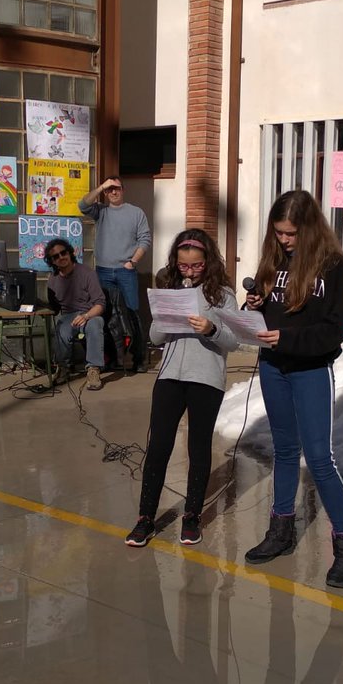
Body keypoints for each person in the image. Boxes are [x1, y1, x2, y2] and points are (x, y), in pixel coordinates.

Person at [243, 189, 343, 589]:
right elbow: (268, 310)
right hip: (274, 368)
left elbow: (334, 332)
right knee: (284, 451)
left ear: (309, 229)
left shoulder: (333, 268)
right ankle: (281, 530)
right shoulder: (273, 261)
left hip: (310, 369)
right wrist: (255, 304)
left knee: (319, 457)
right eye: (278, 233)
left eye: (291, 234)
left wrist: (287, 340)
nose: (284, 240)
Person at [124, 229, 239, 548]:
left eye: (196, 266)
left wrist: (211, 328)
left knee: (198, 448)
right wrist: (165, 317)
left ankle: (191, 517)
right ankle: (145, 519)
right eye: (183, 266)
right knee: (158, 445)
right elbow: (155, 338)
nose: (189, 272)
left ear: (208, 262)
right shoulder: (170, 286)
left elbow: (233, 340)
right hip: (170, 375)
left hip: (206, 378)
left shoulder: (223, 294)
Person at [78, 176, 152, 372]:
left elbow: (145, 239)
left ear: (123, 189)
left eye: (116, 188)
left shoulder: (136, 213)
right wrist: (101, 186)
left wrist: (133, 261)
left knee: (132, 313)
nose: (113, 192)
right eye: (109, 189)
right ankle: (110, 358)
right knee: (106, 315)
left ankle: (139, 358)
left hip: (126, 271)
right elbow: (82, 205)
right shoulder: (100, 211)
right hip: (103, 271)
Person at [44, 238, 106, 391]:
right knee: (61, 329)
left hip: (89, 312)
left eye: (63, 253)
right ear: (52, 261)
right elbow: (55, 308)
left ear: (70, 253)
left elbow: (100, 304)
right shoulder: (53, 279)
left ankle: (93, 370)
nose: (61, 257)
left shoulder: (87, 273)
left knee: (95, 325)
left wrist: (86, 316)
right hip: (68, 315)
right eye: (55, 256)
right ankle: (63, 368)